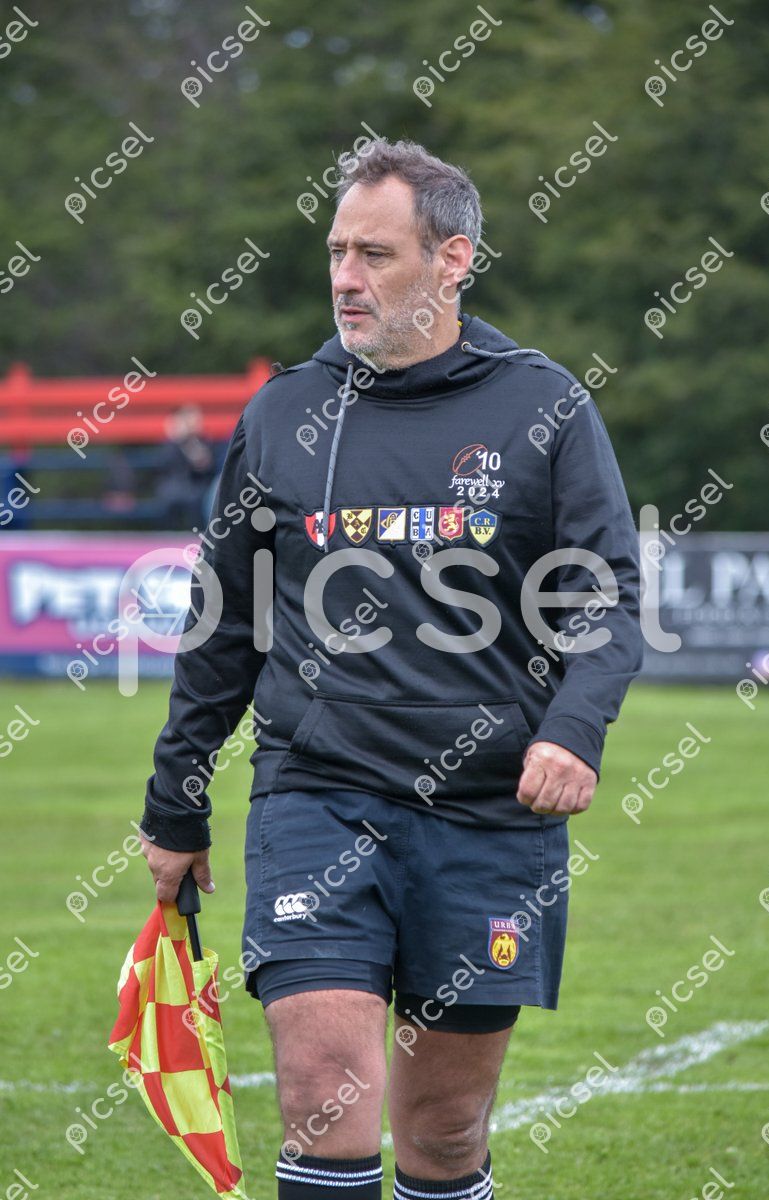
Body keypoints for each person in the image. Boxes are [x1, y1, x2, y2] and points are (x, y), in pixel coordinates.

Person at [139, 138, 643, 1200]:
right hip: (317, 797)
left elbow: (604, 595)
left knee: (444, 1132)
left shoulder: (543, 406)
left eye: (374, 254)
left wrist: (572, 729)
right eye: (336, 251)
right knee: (324, 1095)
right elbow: (222, 626)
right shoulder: (282, 412)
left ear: (452, 260)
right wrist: (173, 804)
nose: (344, 277)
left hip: (488, 813)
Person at [154, 404, 217, 529]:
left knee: (199, 500)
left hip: (198, 486)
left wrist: (190, 443)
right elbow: (164, 464)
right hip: (173, 486)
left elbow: (204, 465)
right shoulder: (172, 443)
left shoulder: (204, 441)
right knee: (168, 497)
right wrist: (177, 439)